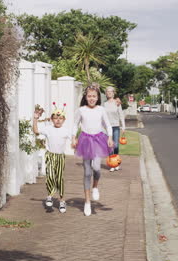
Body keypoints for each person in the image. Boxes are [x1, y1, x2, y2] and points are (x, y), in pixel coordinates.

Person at [72, 84, 114, 216]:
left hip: (98, 140)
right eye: (89, 96)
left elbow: (108, 124)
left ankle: (95, 187)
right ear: (86, 96)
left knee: (96, 168)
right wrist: (73, 138)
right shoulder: (81, 110)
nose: (91, 98)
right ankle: (87, 202)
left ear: (97, 98)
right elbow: (75, 124)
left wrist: (110, 137)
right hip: (85, 140)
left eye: (94, 96)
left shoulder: (101, 110)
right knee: (87, 172)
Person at [33, 103, 71, 213]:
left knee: (59, 178)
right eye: (55, 118)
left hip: (60, 157)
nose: (58, 120)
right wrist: (35, 119)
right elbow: (36, 131)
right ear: (51, 119)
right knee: (49, 175)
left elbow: (74, 140)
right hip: (50, 155)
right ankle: (49, 195)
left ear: (64, 119)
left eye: (60, 118)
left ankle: (62, 200)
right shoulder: (48, 129)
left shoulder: (65, 130)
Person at [104, 86, 125, 172]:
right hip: (107, 128)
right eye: (107, 92)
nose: (109, 93)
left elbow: (121, 115)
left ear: (113, 93)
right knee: (110, 145)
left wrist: (123, 126)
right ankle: (111, 164)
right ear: (106, 93)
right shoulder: (104, 104)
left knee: (116, 145)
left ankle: (116, 162)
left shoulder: (117, 103)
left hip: (116, 126)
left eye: (111, 91)